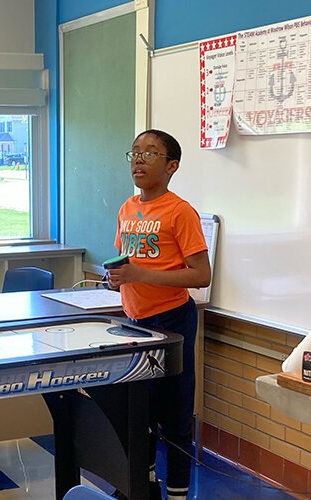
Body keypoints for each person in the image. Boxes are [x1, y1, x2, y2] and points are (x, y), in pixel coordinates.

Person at [107, 129, 211, 500]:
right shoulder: (127, 208)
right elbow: (128, 263)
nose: (138, 160)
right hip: (135, 323)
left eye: (150, 154)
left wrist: (140, 275)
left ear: (171, 166)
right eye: (134, 152)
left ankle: (179, 493)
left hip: (172, 322)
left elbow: (201, 275)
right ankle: (144, 486)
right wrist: (117, 279)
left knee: (176, 417)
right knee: (140, 413)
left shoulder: (180, 211)